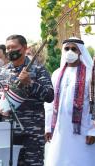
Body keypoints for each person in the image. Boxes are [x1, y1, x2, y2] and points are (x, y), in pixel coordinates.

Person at [0, 35, 54, 165]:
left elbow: (50, 96)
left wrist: (30, 83)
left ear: (24, 48)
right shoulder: (0, 72)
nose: (10, 50)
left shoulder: (39, 70)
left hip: (32, 132)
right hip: (8, 132)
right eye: (8, 48)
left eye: (14, 47)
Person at [44, 37, 95, 166]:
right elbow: (50, 102)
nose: (69, 51)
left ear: (80, 52)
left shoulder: (90, 75)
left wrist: (93, 131)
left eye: (74, 49)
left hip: (83, 129)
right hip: (59, 128)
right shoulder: (56, 74)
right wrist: (47, 127)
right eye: (67, 48)